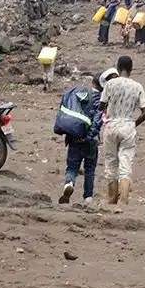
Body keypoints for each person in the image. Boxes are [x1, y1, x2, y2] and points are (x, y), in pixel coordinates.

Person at [100, 55, 145, 205]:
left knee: (111, 162)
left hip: (112, 124)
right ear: (131, 69)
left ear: (118, 67)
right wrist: (133, 123)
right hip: (128, 125)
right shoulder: (137, 86)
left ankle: (112, 198)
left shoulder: (110, 84)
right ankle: (124, 200)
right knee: (126, 163)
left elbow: (102, 105)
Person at [58, 70, 107, 207]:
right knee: (90, 169)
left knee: (72, 167)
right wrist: (89, 137)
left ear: (92, 83)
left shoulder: (80, 95)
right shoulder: (100, 101)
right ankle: (88, 198)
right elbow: (98, 121)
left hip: (74, 137)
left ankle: (69, 183)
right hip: (91, 141)